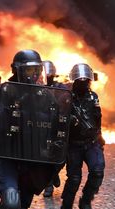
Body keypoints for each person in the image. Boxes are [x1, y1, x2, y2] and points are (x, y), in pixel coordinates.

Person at [0, 50, 62, 209]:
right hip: (8, 157)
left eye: (36, 70)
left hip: (33, 160)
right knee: (11, 203)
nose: (34, 75)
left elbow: (56, 127)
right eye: (29, 71)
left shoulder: (46, 96)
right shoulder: (3, 91)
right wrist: (12, 107)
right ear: (16, 70)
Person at [60, 63, 105, 209]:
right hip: (74, 144)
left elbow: (98, 118)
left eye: (87, 81)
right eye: (81, 81)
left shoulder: (93, 97)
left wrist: (100, 137)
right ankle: (66, 208)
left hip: (91, 142)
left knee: (98, 171)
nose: (84, 83)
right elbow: (56, 119)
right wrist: (68, 120)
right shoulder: (66, 97)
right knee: (74, 178)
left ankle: (85, 201)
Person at [42, 60, 64, 197]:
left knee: (61, 155)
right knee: (44, 156)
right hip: (42, 125)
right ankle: (48, 184)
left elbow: (66, 100)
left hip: (57, 125)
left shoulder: (60, 87)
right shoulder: (36, 87)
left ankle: (54, 173)